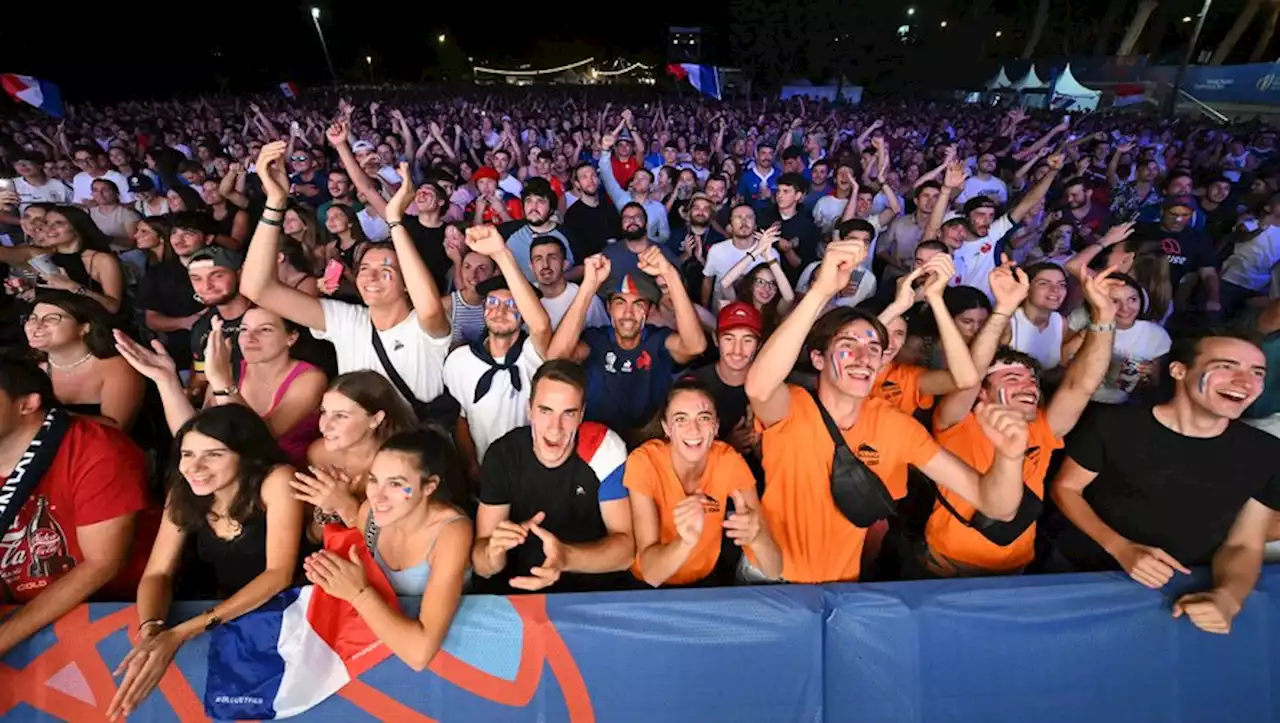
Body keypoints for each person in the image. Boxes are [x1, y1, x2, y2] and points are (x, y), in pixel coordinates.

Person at [743, 239, 1031, 583]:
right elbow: (758, 386)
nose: (865, 358)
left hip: (841, 583)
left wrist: (1010, 458)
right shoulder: (791, 408)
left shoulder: (896, 427)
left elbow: (996, 505)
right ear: (818, 359)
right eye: (848, 347)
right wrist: (821, 291)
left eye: (874, 350)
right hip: (765, 575)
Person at [1045, 329, 1280, 634]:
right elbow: (1065, 488)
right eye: (1226, 366)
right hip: (1084, 576)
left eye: (1257, 372)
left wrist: (1228, 597)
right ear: (1179, 370)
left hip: (1183, 593)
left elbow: (1244, 543)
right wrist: (1120, 548)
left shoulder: (1266, 453)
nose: (1245, 381)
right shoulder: (1114, 425)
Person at [919, 261, 1118, 577]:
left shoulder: (1041, 426)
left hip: (1015, 569)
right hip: (947, 569)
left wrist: (1105, 318)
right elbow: (968, 378)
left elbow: (1081, 385)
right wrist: (1003, 310)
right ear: (983, 393)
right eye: (1011, 377)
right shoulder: (956, 421)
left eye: (1031, 380)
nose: (1027, 385)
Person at [107, 406, 305, 719]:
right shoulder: (183, 491)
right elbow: (158, 573)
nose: (195, 467)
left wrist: (181, 633)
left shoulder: (276, 480)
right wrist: (152, 631)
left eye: (214, 454)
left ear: (246, 454)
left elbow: (277, 574)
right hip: (229, 610)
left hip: (294, 616)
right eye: (187, 454)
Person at [241, 145, 452, 424]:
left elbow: (429, 308)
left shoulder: (426, 328)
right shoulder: (346, 320)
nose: (371, 277)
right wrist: (276, 201)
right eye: (364, 268)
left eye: (386, 269)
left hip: (415, 451)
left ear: (406, 283)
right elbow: (257, 288)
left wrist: (395, 222)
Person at [0, 354, 149, 657]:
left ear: (27, 404)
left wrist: (4, 637)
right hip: (22, 613)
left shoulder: (96, 447)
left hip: (115, 618)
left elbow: (101, 565)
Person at [303, 429, 472, 671]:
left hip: (454, 657)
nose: (377, 496)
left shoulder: (452, 533)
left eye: (396, 484)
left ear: (430, 486)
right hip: (384, 648)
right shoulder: (369, 515)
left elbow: (419, 654)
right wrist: (330, 574)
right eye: (373, 480)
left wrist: (358, 593)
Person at [472, 360, 634, 593]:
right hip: (517, 593)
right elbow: (482, 563)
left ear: (581, 415)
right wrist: (493, 552)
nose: (555, 428)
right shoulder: (503, 455)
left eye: (568, 413)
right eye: (545, 411)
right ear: (530, 410)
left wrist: (566, 558)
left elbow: (626, 551)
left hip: (588, 592)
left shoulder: (603, 449)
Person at [114, 307, 327, 469]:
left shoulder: (310, 378)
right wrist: (166, 380)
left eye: (265, 330)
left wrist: (223, 383)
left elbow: (259, 440)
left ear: (291, 337)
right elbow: (195, 434)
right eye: (244, 329)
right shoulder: (229, 371)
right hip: (234, 474)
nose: (250, 338)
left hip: (283, 478)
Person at [625, 379, 782, 587]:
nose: (694, 429)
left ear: (716, 427)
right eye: (681, 419)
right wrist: (685, 542)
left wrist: (759, 539)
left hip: (703, 583)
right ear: (666, 428)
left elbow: (774, 570)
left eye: (704, 418)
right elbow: (652, 575)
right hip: (645, 589)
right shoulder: (644, 462)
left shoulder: (728, 460)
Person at [548, 250, 707, 437]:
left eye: (638, 304)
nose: (628, 313)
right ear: (609, 308)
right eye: (620, 303)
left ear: (648, 311)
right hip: (597, 445)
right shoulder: (595, 340)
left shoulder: (658, 341)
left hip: (650, 444)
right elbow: (556, 357)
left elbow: (696, 346)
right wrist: (589, 286)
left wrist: (670, 275)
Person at [443, 225, 552, 479]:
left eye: (511, 305)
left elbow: (541, 326)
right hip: (485, 473)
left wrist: (501, 253)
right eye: (493, 303)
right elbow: (462, 417)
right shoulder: (459, 361)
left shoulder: (533, 355)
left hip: (533, 474)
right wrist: (471, 465)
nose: (500, 311)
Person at [292, 372, 418, 538]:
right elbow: (313, 537)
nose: (325, 426)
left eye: (341, 416)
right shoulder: (320, 455)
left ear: (376, 419)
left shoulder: (404, 465)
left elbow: (395, 549)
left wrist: (346, 507)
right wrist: (327, 510)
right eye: (323, 412)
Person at [25, 290, 145, 429]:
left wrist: (46, 416)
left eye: (51, 318)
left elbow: (117, 428)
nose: (37, 325)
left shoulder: (118, 368)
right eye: (33, 318)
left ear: (85, 327)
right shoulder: (28, 367)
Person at [531, 235, 610, 330]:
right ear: (531, 267)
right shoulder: (523, 297)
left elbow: (604, 340)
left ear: (565, 265)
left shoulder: (589, 299)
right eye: (538, 259)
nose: (545, 265)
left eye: (552, 258)